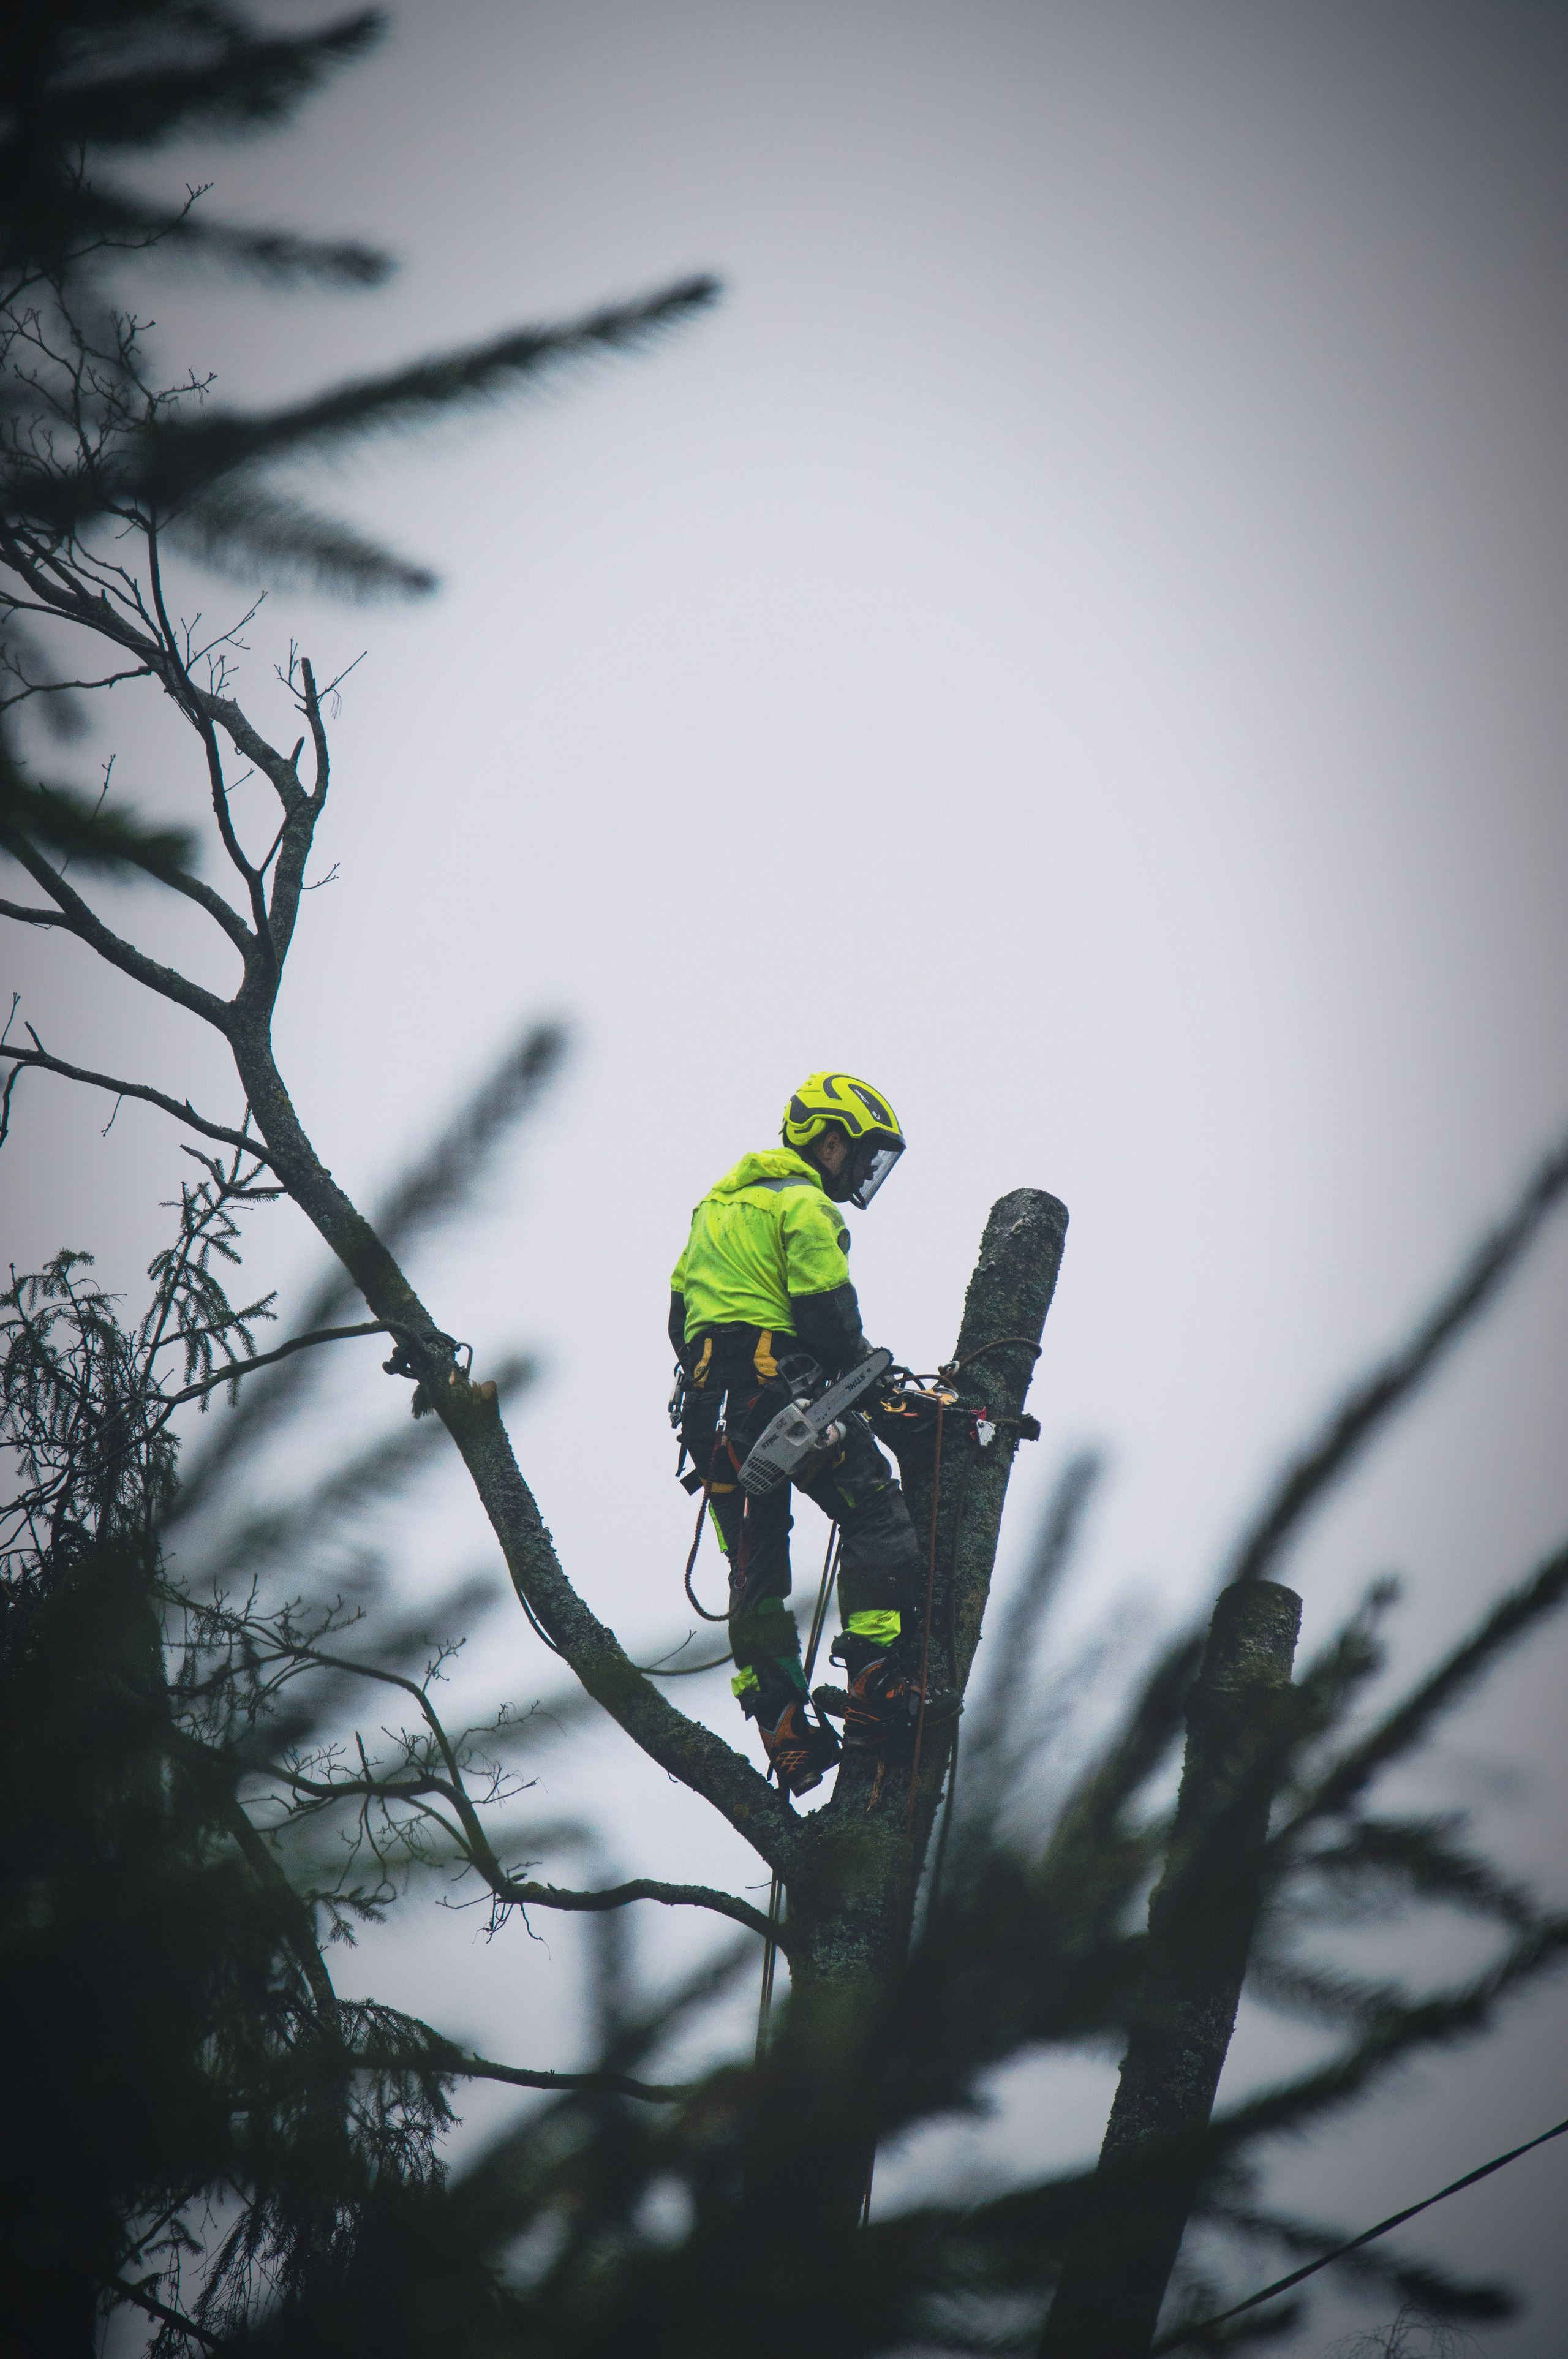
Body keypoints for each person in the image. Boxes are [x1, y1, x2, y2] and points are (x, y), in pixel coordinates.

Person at [668, 1072, 956, 1797]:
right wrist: (883, 1393)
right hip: (777, 1397)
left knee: (755, 1575)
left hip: (711, 1422)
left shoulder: (714, 1207)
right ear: (831, 1140)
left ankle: (783, 1725)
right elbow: (827, 1318)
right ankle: (876, 1679)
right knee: (874, 1511)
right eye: (860, 1156)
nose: (860, 1172)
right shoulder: (802, 1205)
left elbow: (680, 1321)